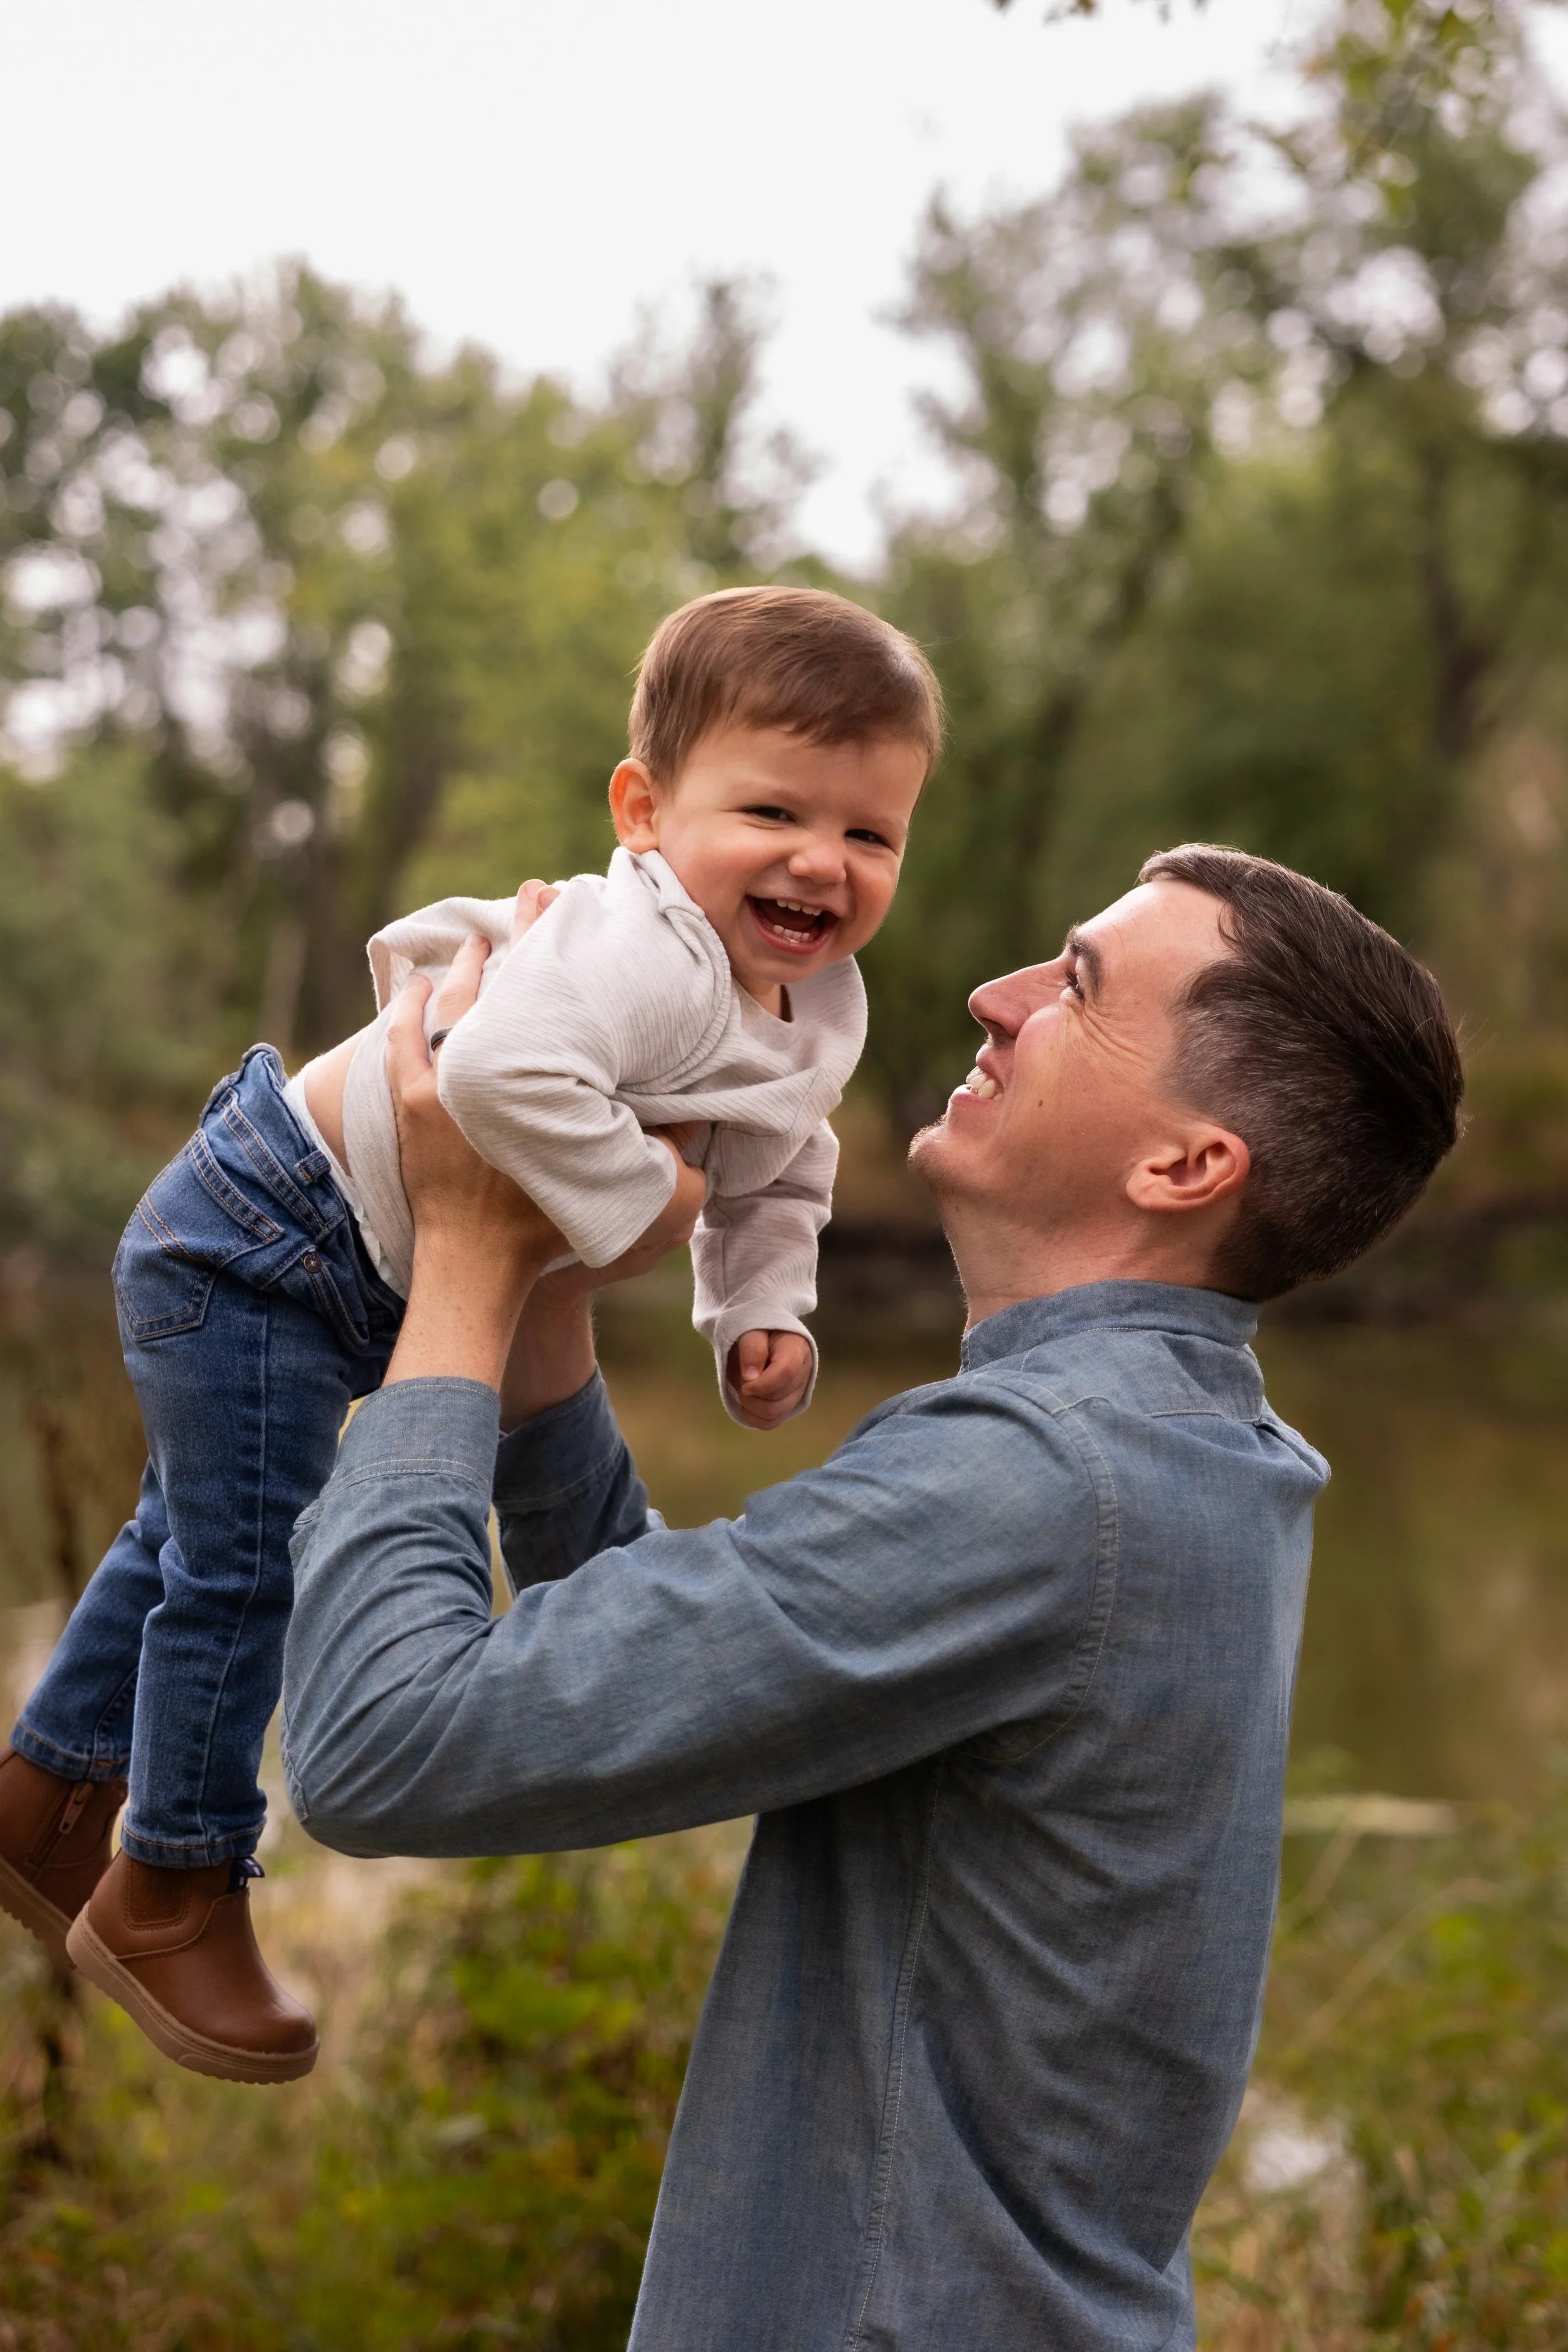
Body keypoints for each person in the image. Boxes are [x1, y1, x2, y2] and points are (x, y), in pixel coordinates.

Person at [275, 845, 1463, 2351]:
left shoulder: (1050, 1485)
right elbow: (673, 1661)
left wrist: (458, 1255)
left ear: (1181, 1166)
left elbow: (385, 1742)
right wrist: (548, 1289)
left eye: (1075, 989)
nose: (993, 994)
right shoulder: (1190, 1457)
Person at [0, 586, 940, 2086]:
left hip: (334, 1255)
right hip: (261, 1231)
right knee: (248, 1562)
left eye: (870, 833)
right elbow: (497, 1072)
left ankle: (46, 1795)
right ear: (643, 808)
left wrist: (756, 1302)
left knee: (194, 1529)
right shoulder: (634, 953)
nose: (819, 863)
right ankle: (172, 1883)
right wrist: (641, 1214)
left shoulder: (815, 1003)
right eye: (770, 810)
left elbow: (786, 1161)